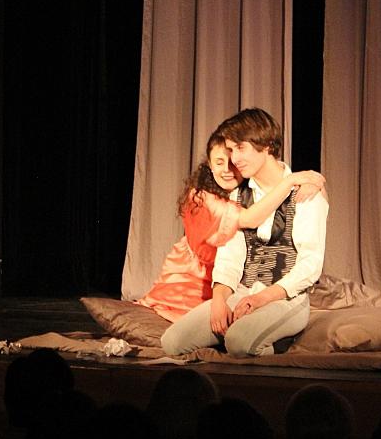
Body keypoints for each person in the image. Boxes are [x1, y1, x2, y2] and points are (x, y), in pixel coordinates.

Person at [161, 108, 329, 357]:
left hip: (286, 297)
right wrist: (219, 300)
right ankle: (243, 337)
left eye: (240, 148)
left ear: (267, 145)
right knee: (173, 342)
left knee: (239, 342)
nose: (234, 159)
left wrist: (263, 298)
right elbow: (229, 257)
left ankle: (277, 342)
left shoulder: (305, 193)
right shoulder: (238, 195)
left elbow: (310, 265)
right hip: (243, 292)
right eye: (231, 150)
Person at [137, 129, 324, 321]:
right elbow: (250, 219)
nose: (227, 170)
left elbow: (317, 203)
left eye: (232, 163)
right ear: (209, 165)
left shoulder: (245, 190)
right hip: (193, 281)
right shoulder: (201, 198)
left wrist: (313, 185)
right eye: (219, 162)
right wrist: (291, 181)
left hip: (232, 280)